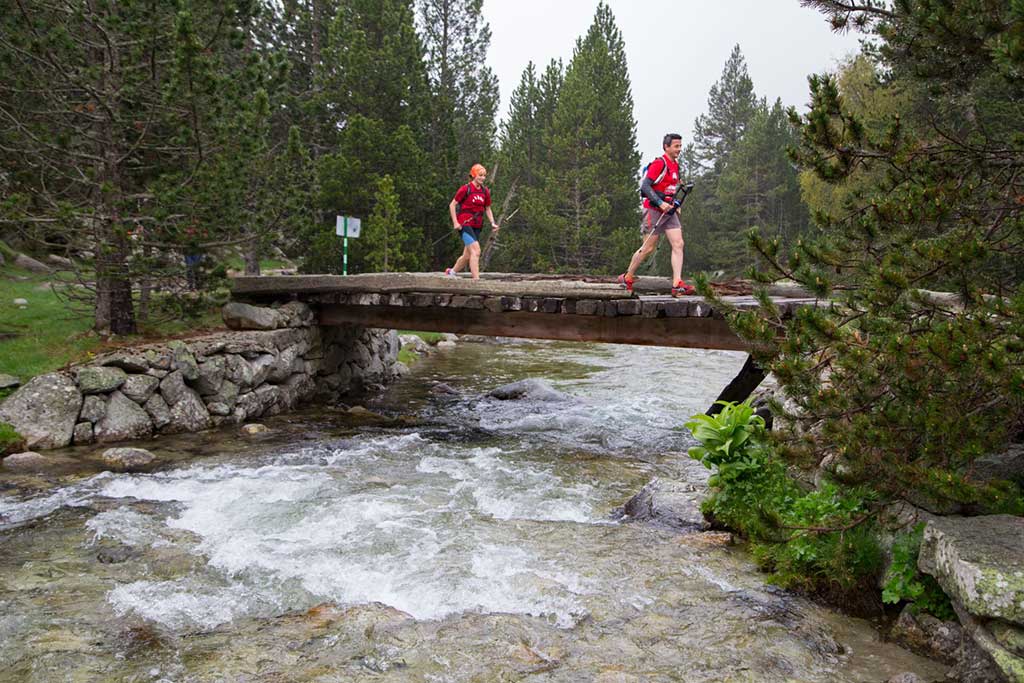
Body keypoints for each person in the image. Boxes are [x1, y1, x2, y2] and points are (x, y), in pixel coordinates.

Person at [617, 133, 696, 297]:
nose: (679, 149)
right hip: (653, 210)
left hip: (669, 211)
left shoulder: (675, 165)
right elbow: (645, 187)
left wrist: (677, 201)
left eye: (680, 146)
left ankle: (677, 284)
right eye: (676, 146)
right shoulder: (659, 163)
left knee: (678, 243)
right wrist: (660, 203)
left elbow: (673, 185)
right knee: (648, 248)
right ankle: (627, 277)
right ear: (666, 147)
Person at [444, 164, 499, 280]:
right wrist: (455, 222)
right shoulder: (465, 189)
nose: (483, 178)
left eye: (484, 175)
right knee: (476, 251)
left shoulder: (485, 191)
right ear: (474, 175)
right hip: (464, 224)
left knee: (467, 255)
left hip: (477, 225)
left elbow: (487, 208)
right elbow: (452, 205)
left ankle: (451, 272)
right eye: (480, 175)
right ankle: (476, 281)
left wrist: (492, 222)